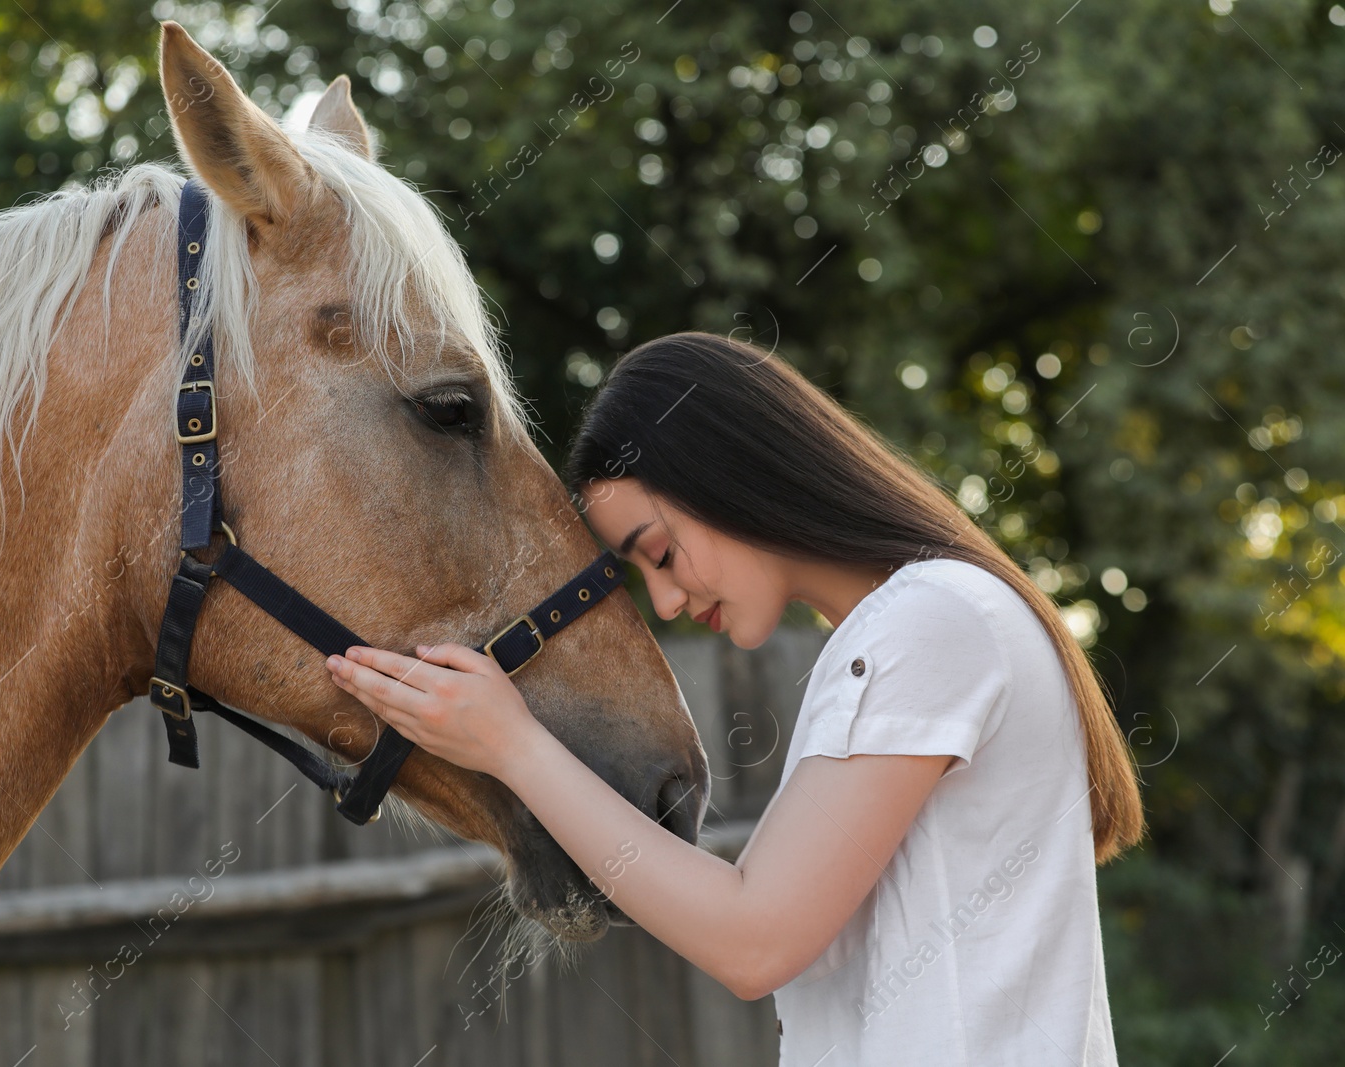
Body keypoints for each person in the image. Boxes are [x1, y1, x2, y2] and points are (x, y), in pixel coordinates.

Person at [326, 331, 1143, 1065]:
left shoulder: (929, 621)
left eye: (661, 553)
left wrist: (515, 746)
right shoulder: (918, 624)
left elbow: (753, 939)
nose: (670, 600)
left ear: (726, 476)